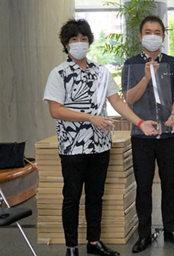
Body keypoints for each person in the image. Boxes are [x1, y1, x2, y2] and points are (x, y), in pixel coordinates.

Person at [43, 19, 157, 256]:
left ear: (89, 41)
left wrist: (139, 122)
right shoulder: (59, 73)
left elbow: (117, 102)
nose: (79, 43)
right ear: (65, 44)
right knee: (72, 196)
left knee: (96, 195)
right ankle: (71, 246)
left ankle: (94, 242)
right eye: (74, 39)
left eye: (83, 39)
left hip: (99, 145)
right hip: (72, 146)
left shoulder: (101, 72)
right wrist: (90, 118)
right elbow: (56, 110)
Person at [121, 15, 174, 253]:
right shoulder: (131, 64)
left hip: (169, 134)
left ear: (163, 36)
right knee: (144, 185)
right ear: (141, 36)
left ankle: (171, 230)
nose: (153, 36)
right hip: (142, 136)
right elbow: (129, 99)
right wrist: (146, 78)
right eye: (148, 32)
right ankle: (144, 234)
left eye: (157, 32)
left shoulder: (173, 63)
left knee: (170, 184)